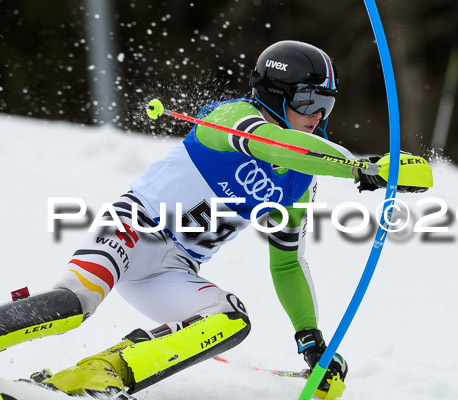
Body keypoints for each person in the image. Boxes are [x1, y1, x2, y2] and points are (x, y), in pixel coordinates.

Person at [0, 40, 433, 399]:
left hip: (172, 270)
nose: (319, 115)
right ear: (276, 94)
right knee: (75, 304)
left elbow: (286, 261)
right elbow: (275, 145)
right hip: (133, 229)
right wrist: (362, 168)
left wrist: (311, 341)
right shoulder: (231, 118)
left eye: (326, 104)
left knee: (227, 320)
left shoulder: (301, 179)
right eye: (308, 100)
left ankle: (96, 374)